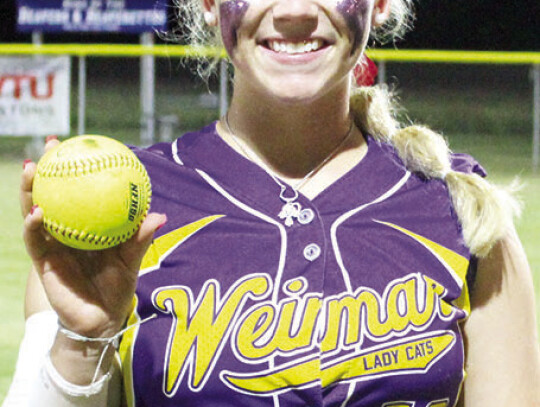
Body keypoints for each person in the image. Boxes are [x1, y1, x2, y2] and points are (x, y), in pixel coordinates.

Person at [4, 0, 540, 406]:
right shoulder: (124, 214)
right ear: (211, 6)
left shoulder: (461, 215)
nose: (295, 12)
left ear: (378, 5)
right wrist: (82, 340)